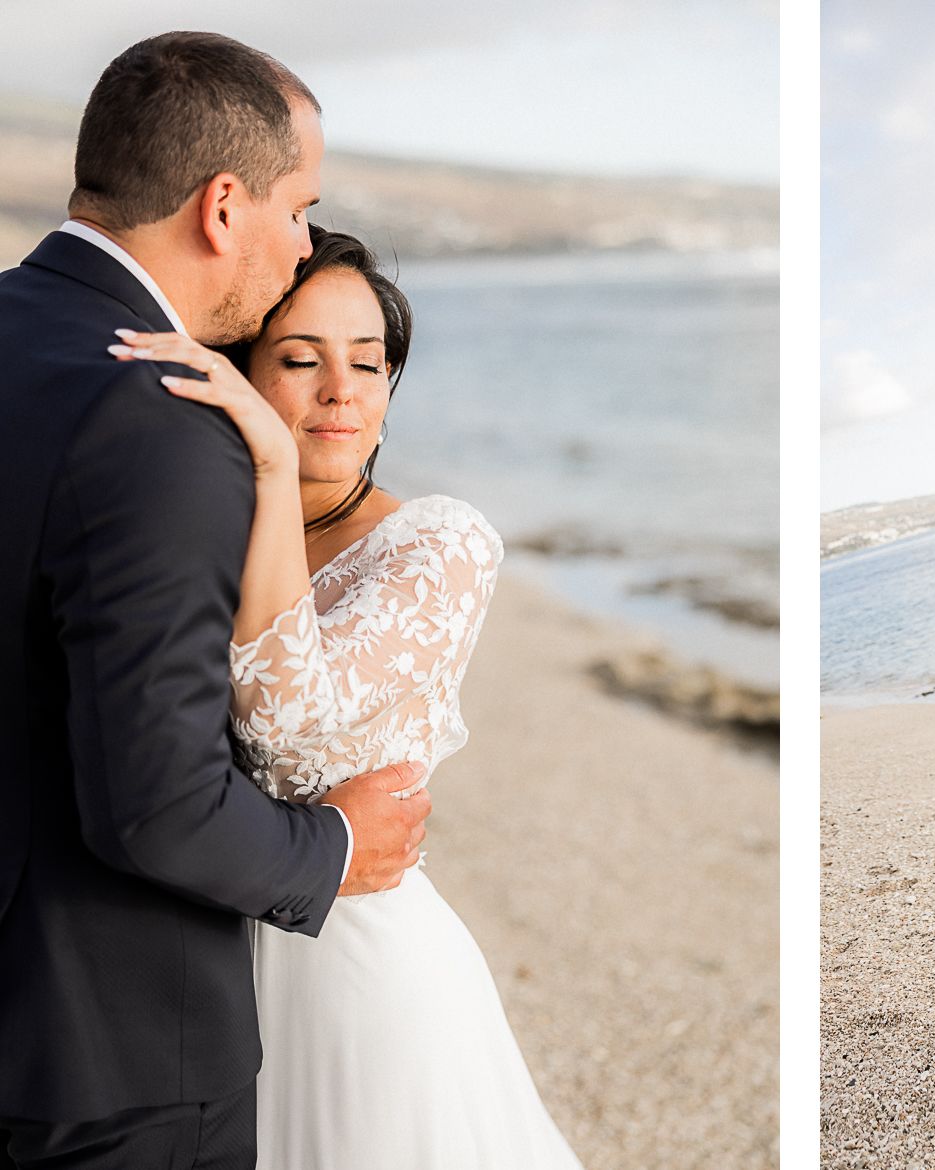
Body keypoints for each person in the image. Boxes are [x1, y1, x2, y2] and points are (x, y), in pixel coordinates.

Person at [0, 33, 428, 1168]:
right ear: (223, 206)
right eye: (300, 207)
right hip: (110, 1055)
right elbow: (155, 806)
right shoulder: (156, 422)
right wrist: (333, 850)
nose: (303, 244)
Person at [116, 225, 585, 1167]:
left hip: (360, 974)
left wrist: (274, 463)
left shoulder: (440, 545)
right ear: (238, 372)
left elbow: (289, 733)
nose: (342, 392)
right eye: (300, 359)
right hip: (201, 967)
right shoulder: (198, 531)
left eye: (368, 365)